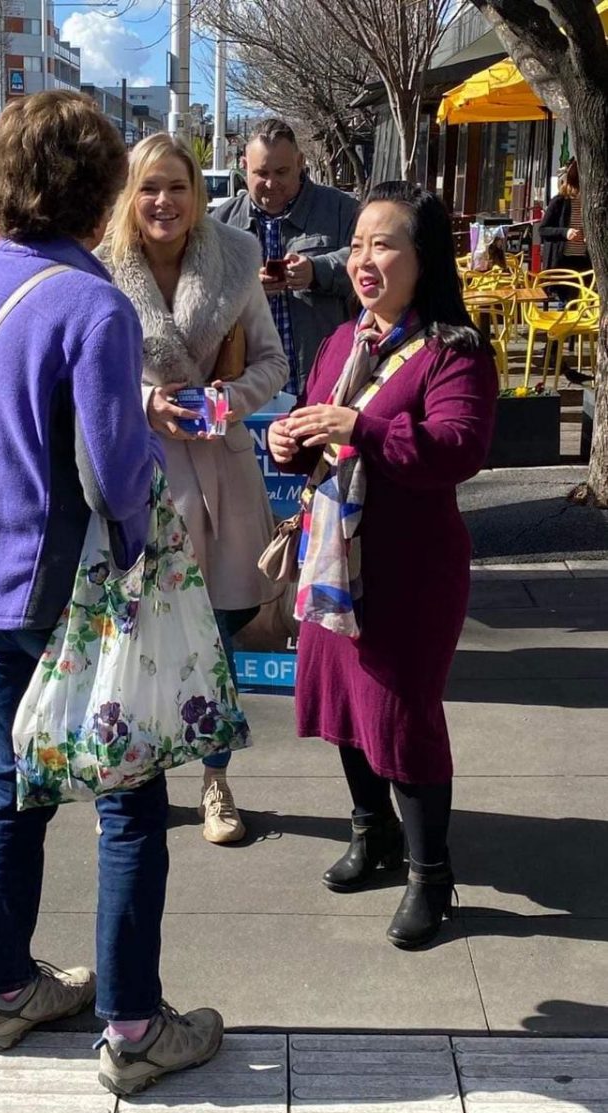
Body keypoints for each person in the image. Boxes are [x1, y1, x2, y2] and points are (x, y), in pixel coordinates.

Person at [0, 92, 223, 1097]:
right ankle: (134, 1031)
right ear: (102, 194)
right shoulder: (92, 304)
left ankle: (5, 991)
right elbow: (111, 475)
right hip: (68, 595)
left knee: (16, 786)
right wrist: (142, 551)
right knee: (130, 802)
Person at [268, 182, 497, 950]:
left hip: (408, 572)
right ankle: (375, 837)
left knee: (402, 717)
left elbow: (456, 453)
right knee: (344, 708)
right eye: (358, 244)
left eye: (384, 244)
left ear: (422, 258)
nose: (365, 259)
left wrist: (359, 428)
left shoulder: (453, 351)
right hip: (336, 564)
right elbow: (316, 431)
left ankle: (432, 875)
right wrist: (290, 441)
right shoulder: (341, 342)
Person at [98, 132, 288, 845]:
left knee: (218, 633)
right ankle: (133, 784)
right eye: (149, 187)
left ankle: (216, 780)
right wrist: (145, 405)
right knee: (139, 634)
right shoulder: (101, 271)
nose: (163, 201)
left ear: (197, 193)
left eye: (177, 186)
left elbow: (271, 361)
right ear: (130, 196)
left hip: (224, 469)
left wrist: (228, 399)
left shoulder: (237, 258)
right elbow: (87, 376)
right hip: (143, 471)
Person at [213, 119, 358, 405]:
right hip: (247, 388)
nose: (271, 183)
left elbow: (368, 262)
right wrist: (246, 288)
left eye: (281, 172)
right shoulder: (220, 223)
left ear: (300, 162)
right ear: (244, 166)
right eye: (261, 173)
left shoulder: (342, 209)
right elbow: (199, 293)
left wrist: (318, 270)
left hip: (325, 381)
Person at [540, 158, 590, 276]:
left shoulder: (591, 203)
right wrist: (565, 232)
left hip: (584, 262)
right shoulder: (559, 201)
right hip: (561, 263)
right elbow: (543, 230)